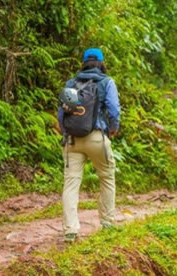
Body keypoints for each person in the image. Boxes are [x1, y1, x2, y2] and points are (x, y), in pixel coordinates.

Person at [58, 48, 120, 242]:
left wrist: (65, 130)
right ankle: (107, 222)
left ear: (83, 63)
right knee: (107, 177)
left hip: (72, 141)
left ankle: (70, 230)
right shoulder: (106, 82)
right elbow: (114, 109)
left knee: (71, 183)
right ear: (102, 63)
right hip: (97, 138)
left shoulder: (71, 83)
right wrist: (113, 128)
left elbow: (62, 112)